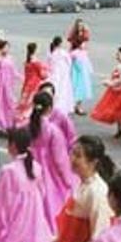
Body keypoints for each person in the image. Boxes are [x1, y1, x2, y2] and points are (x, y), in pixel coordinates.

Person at [28, 91, 77, 229]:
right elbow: (59, 159)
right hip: (49, 170)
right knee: (50, 200)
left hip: (31, 166)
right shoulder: (53, 130)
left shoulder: (29, 126)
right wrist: (67, 179)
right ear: (49, 108)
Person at [0, 39, 20, 130]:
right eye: (6, 47)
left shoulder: (10, 57)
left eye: (8, 47)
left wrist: (20, 76)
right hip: (0, 83)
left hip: (8, 83)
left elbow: (13, 70)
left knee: (9, 102)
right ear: (1, 48)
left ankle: (9, 121)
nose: (7, 49)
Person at [67, 20, 93, 115]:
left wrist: (86, 29)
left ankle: (78, 106)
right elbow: (71, 44)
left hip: (82, 59)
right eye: (79, 25)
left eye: (82, 25)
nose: (81, 27)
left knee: (82, 84)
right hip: (76, 59)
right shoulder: (74, 36)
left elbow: (86, 39)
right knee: (75, 83)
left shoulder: (84, 35)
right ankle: (73, 105)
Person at [18, 42, 49, 118]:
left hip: (27, 83)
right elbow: (42, 75)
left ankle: (22, 116)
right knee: (31, 102)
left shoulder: (27, 61)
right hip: (35, 84)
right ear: (35, 50)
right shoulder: (36, 62)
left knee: (25, 101)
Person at [47, 36, 74, 115]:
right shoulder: (63, 52)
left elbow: (48, 63)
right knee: (63, 90)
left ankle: (54, 105)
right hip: (63, 73)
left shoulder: (51, 52)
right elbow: (69, 62)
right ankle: (62, 106)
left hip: (54, 73)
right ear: (60, 44)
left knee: (56, 88)